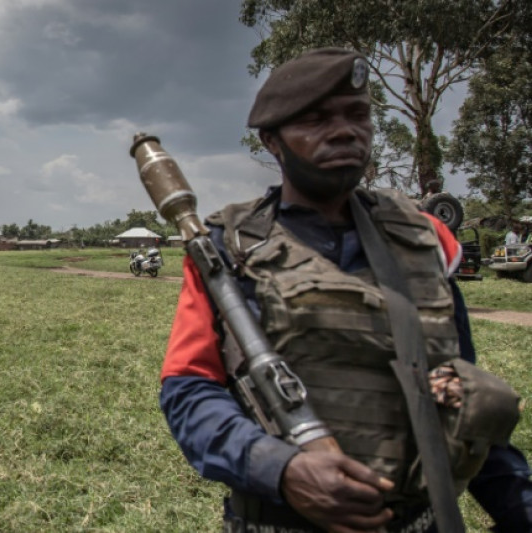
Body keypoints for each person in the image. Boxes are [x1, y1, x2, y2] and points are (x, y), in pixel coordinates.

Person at [160, 48, 532, 532]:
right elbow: (189, 390)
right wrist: (281, 468)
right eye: (315, 120)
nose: (343, 131)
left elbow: (461, 394)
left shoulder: (425, 240)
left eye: (357, 115)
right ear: (272, 140)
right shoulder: (225, 249)